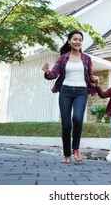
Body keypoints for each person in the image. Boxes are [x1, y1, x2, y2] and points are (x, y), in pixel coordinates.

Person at [42, 30, 98, 163]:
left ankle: (76, 148)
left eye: (80, 39)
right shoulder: (63, 58)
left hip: (81, 91)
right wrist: (47, 72)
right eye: (75, 39)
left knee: (78, 118)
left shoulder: (86, 59)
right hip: (65, 91)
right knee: (66, 124)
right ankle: (67, 154)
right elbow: (53, 75)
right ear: (69, 41)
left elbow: (89, 76)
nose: (77, 41)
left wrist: (94, 79)